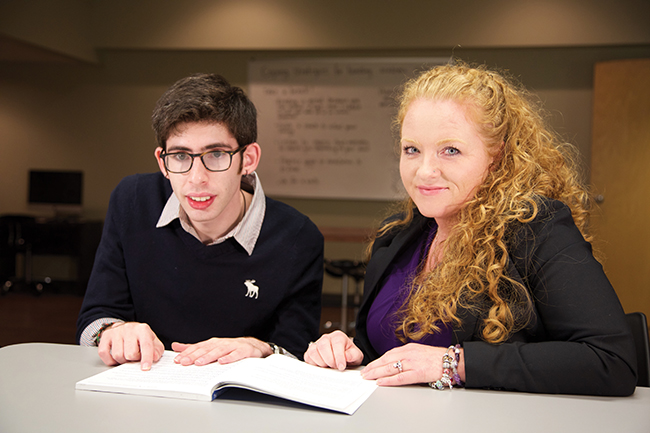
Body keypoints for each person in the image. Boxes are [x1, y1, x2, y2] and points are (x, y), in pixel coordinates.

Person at [304, 62, 637, 396]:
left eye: (451, 150)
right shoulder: (395, 237)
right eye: (412, 150)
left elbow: (611, 361)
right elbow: (385, 351)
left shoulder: (538, 229)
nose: (424, 171)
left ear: (497, 156)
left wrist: (454, 363)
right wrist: (348, 351)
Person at [77, 73, 323, 371]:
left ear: (249, 159)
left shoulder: (298, 236)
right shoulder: (132, 201)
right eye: (180, 156)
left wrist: (260, 347)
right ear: (161, 161)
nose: (197, 179)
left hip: (241, 401)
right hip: (144, 386)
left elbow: (296, 350)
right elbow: (95, 318)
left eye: (217, 154)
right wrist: (114, 331)